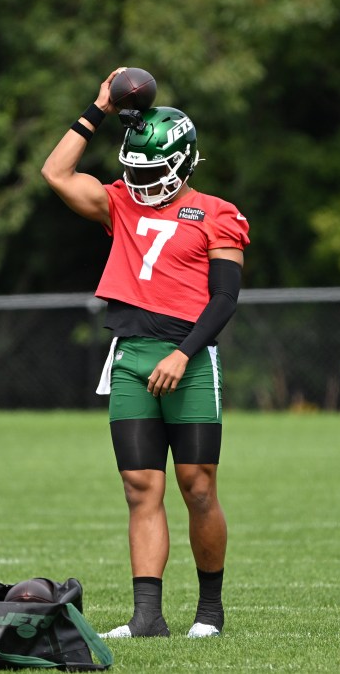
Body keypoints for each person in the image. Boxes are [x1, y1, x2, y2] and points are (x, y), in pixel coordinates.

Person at [41, 68, 250, 638]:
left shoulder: (218, 213)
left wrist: (184, 353)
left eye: (154, 170)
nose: (142, 182)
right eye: (135, 170)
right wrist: (99, 107)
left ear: (184, 162)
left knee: (198, 485)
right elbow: (55, 172)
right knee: (140, 488)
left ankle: (209, 611)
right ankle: (147, 617)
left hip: (189, 356)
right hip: (131, 355)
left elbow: (226, 298)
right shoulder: (119, 204)